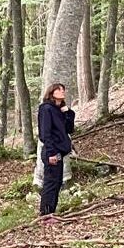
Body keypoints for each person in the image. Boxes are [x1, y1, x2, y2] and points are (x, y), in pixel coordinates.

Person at [37, 83, 75, 223]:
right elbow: (45, 133)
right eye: (59, 89)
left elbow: (69, 129)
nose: (62, 91)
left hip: (60, 151)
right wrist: (51, 153)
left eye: (63, 89)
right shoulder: (46, 109)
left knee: (57, 182)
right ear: (52, 92)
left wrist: (68, 113)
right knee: (51, 183)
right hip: (51, 151)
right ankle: (45, 214)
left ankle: (51, 212)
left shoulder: (60, 110)